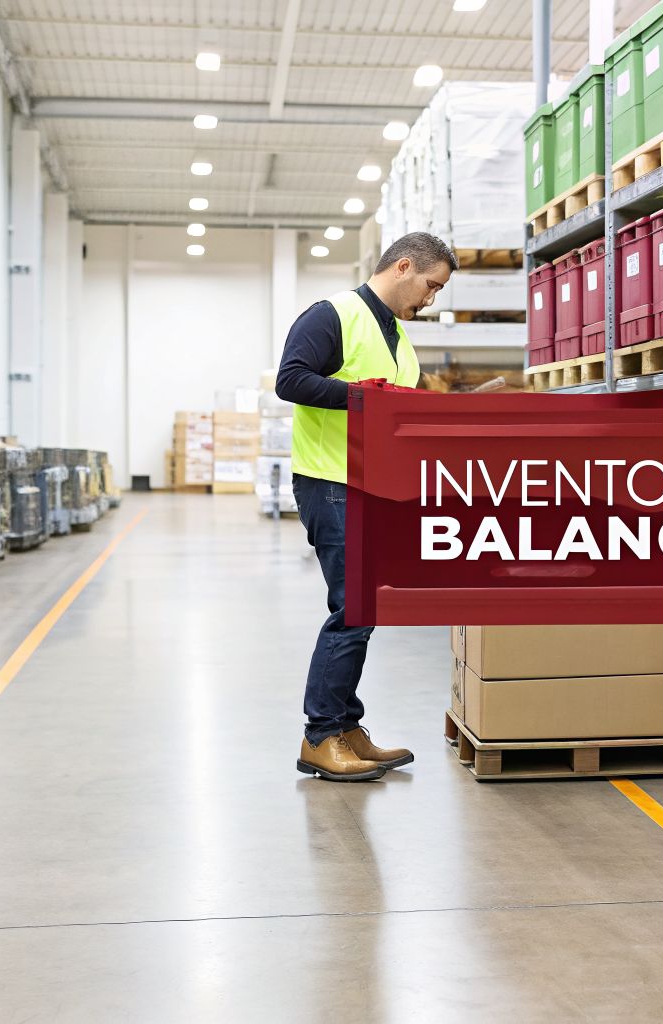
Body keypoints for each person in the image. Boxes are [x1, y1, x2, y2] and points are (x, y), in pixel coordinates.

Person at [276, 232, 457, 782]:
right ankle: (320, 735)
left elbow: (391, 408)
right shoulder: (332, 314)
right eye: (430, 285)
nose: (431, 298)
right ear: (403, 267)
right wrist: (360, 395)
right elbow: (291, 380)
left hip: (372, 486)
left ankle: (347, 727)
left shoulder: (398, 334)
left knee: (369, 609)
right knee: (353, 609)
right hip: (332, 483)